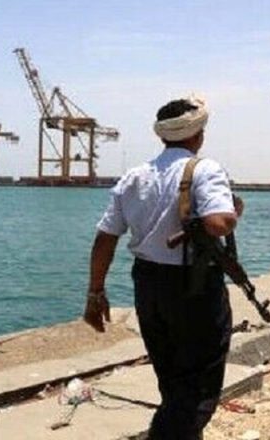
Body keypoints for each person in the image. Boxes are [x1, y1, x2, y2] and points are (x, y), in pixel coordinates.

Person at [83, 95, 240, 440]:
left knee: (170, 376)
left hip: (148, 284)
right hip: (193, 286)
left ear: (162, 135)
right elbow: (218, 223)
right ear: (198, 134)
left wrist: (95, 292)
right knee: (199, 384)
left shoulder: (134, 176)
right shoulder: (205, 169)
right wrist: (234, 213)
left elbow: (105, 238)